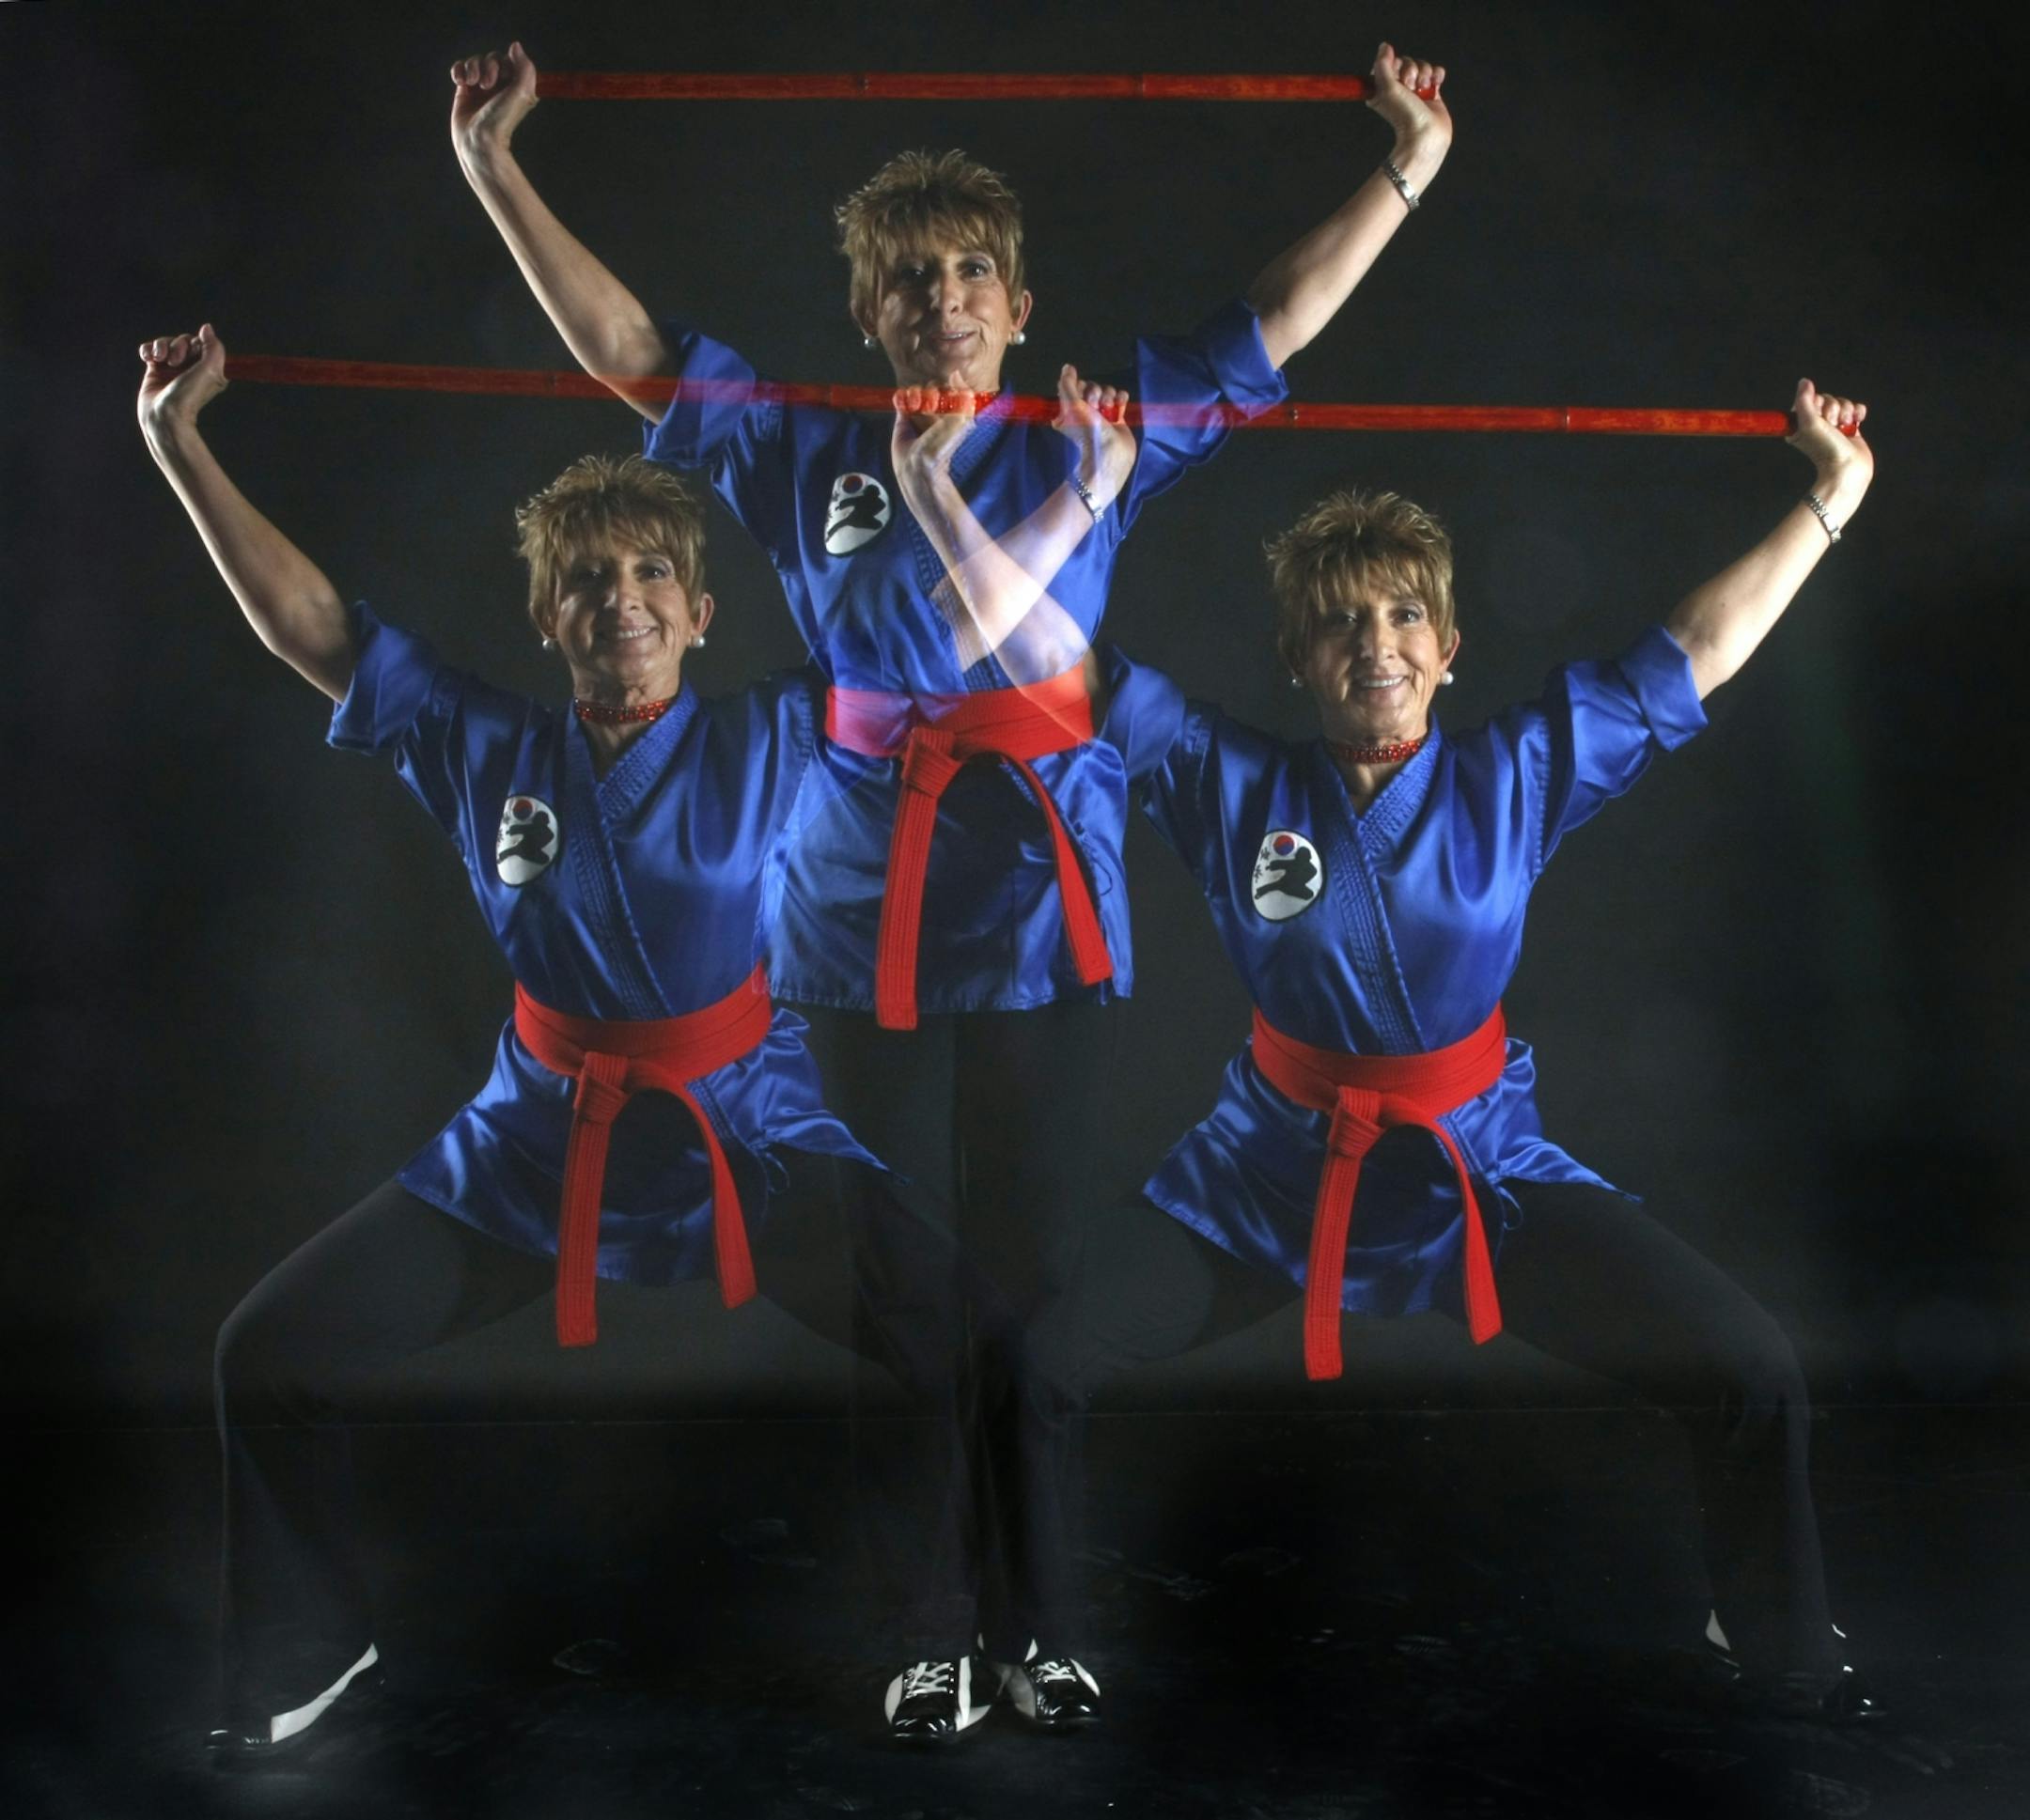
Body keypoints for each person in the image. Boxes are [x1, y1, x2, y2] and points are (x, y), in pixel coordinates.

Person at [447, 37, 1454, 1734]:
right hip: (852, 925)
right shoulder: (802, 449)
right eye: (905, 281)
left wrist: (1407, 166)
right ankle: (926, 1623)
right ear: (872, 314)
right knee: (907, 1291)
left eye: (967, 271)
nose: (939, 299)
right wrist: (494, 170)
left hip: (1053, 921)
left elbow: (1275, 317)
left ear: (1017, 295)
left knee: (1038, 1292)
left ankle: (1042, 1618)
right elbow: (629, 354)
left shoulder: (1096, 431)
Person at [137, 325, 976, 1759]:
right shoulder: (481, 747)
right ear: (548, 615)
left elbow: (945, 647)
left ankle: (937, 1638)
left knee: (954, 1324)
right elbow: (314, 627)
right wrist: (178, 443)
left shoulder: (781, 733)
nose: (623, 600)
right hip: (534, 1153)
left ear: (703, 611)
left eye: (653, 573)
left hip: (743, 1141)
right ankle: (308, 1644)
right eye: (588, 578)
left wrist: (933, 479)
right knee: (264, 1351)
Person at [993, 381, 1882, 1721]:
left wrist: (1830, 498)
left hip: (1485, 1178)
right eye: (1343, 620)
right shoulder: (1220, 778)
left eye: (1405, 612)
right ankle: (1032, 1639)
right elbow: (1028, 642)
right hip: (1266, 1187)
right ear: (1298, 655)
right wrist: (1086, 489)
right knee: (1032, 1360)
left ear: (1451, 643)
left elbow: (1697, 644)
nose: (1378, 642)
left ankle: (1773, 1632)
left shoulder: (1518, 776)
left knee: (1752, 1368)